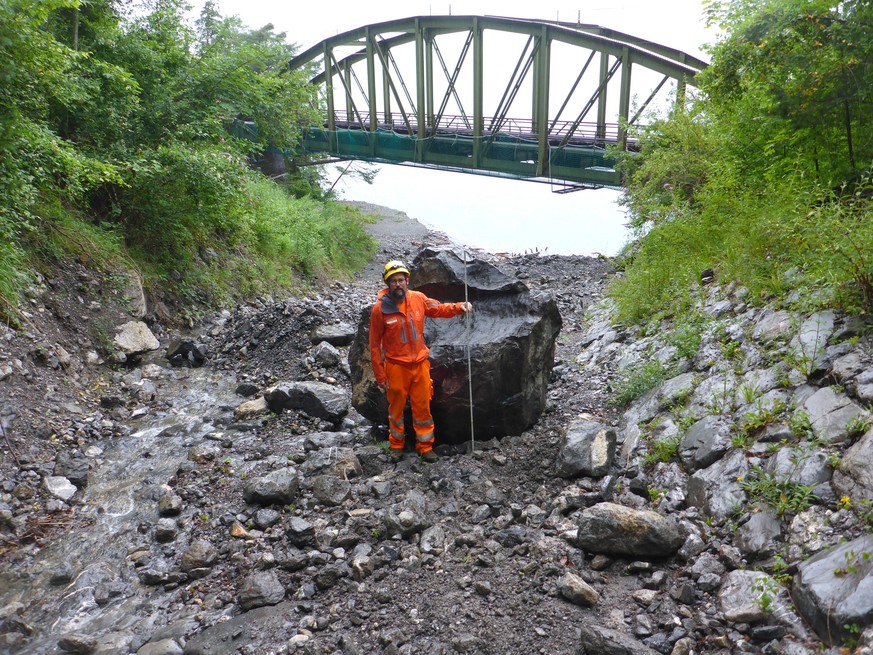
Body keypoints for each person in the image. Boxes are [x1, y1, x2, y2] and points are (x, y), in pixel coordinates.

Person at [369, 260, 472, 462]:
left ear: (407, 281)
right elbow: (374, 346)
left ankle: (425, 447)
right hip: (396, 367)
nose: (398, 284)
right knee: (396, 409)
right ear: (387, 283)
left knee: (423, 408)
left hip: (420, 365)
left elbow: (439, 309)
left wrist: (460, 307)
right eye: (393, 281)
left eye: (401, 280)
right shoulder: (379, 310)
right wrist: (380, 375)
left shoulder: (419, 299)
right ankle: (396, 445)